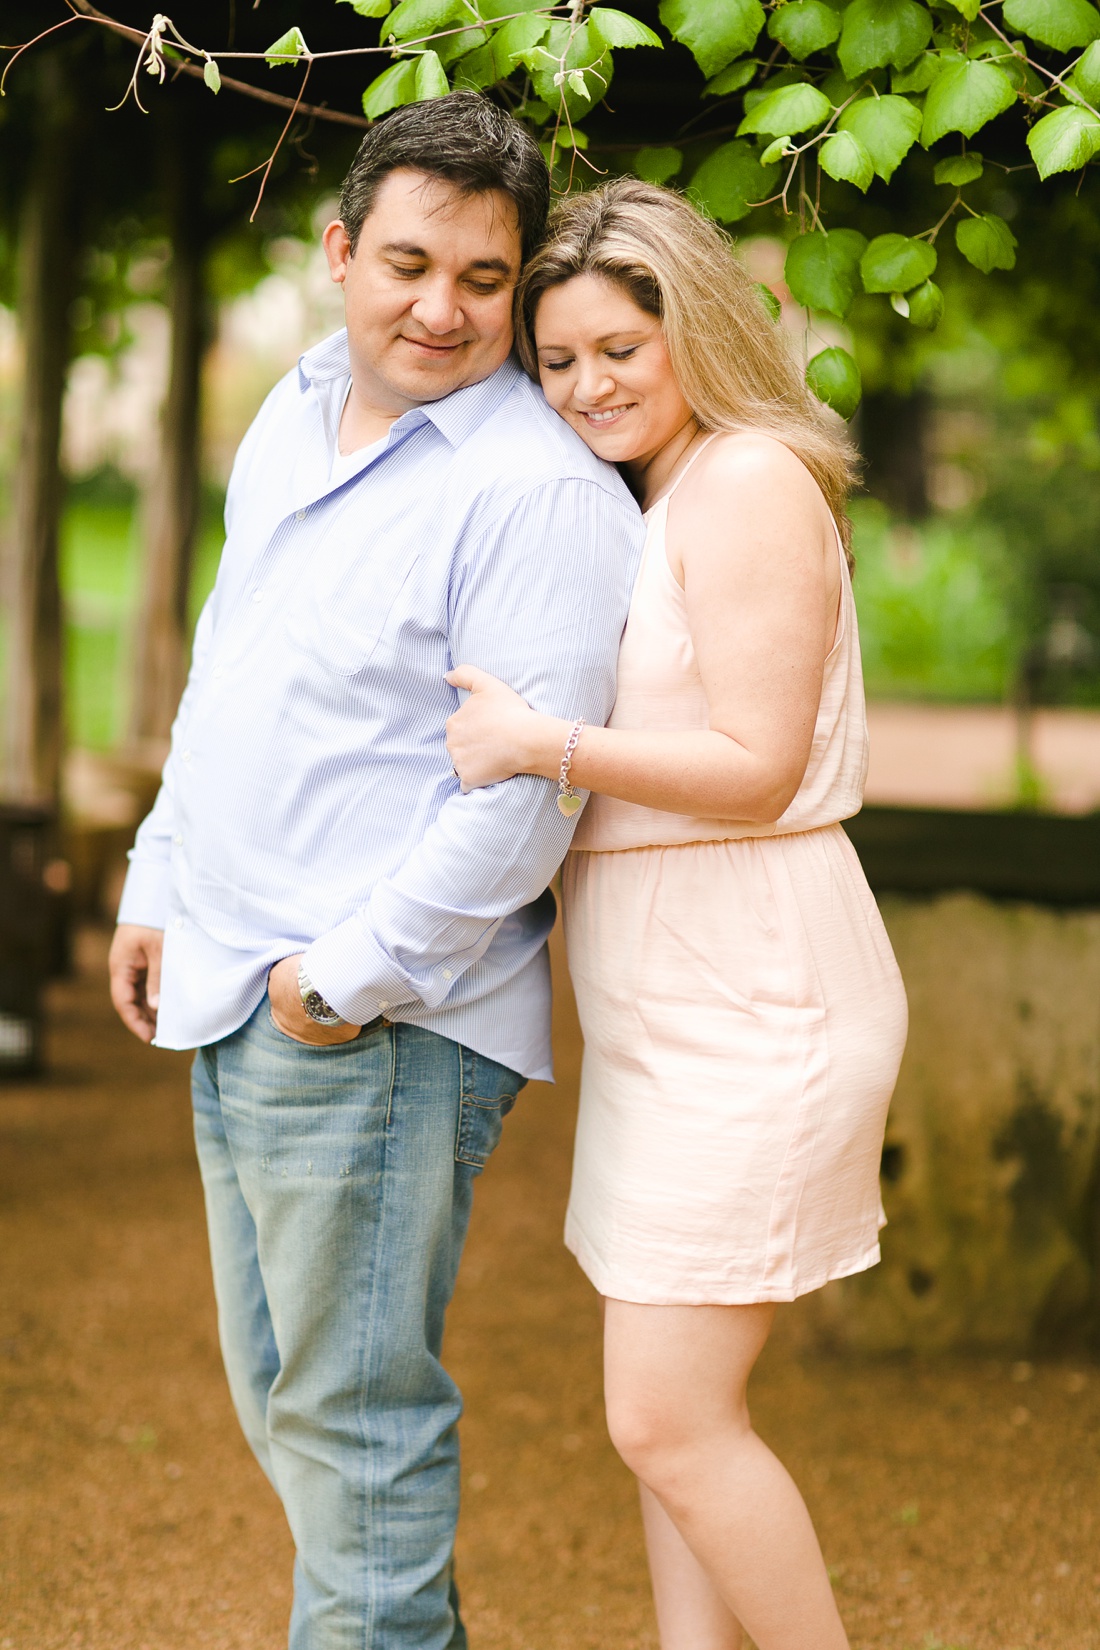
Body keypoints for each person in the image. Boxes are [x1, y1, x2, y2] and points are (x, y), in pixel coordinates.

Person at [107, 96, 642, 1650]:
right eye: (408, 262)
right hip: (234, 974)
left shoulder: (536, 493)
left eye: (485, 279)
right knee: (310, 1417)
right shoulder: (296, 404)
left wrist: (338, 983)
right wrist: (156, 874)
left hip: (372, 1022)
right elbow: (235, 661)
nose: (442, 307)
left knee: (354, 1428)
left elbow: (521, 799)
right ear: (340, 250)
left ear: (521, 277)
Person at [445, 176, 909, 1650]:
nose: (585, 387)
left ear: (692, 331)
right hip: (667, 1005)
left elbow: (759, 763)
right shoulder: (661, 492)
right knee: (676, 1423)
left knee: (664, 1419)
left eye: (617, 353)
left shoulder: (753, 478)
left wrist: (542, 747)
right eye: (559, 359)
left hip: (759, 988)